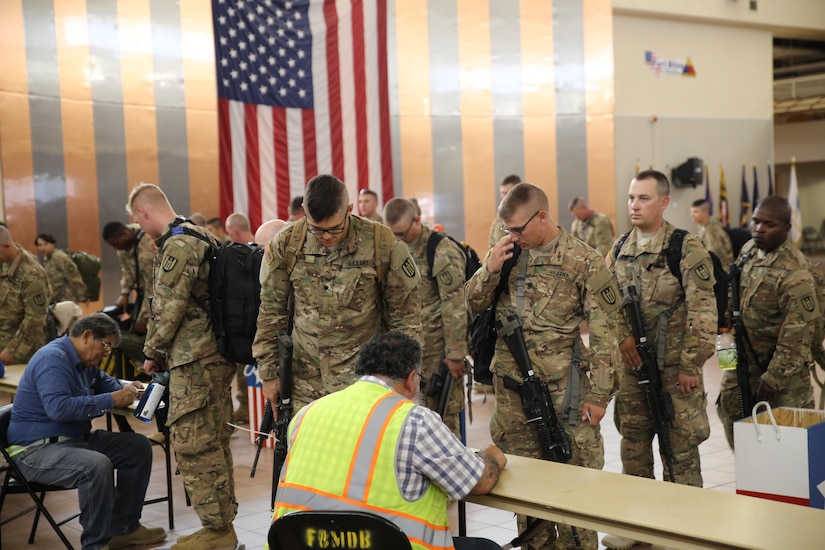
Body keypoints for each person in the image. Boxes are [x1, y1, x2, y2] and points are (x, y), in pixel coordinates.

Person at [466, 182, 621, 550]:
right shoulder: (507, 253)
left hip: (563, 394)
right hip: (512, 395)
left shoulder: (583, 260)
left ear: (542, 216)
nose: (513, 236)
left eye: (519, 229)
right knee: (524, 492)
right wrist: (489, 267)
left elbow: (606, 332)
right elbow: (472, 302)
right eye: (508, 230)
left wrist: (599, 395)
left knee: (574, 491)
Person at [273, 331, 506, 550]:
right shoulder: (414, 421)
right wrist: (493, 455)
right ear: (411, 379)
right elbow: (480, 482)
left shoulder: (307, 413)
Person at [603, 170, 716, 549]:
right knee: (633, 448)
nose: (634, 205)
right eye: (632, 197)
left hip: (674, 372)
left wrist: (691, 365)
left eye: (644, 198)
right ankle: (638, 527)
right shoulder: (620, 247)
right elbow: (607, 301)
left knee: (680, 450)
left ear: (664, 202)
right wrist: (622, 337)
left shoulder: (686, 248)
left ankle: (687, 530)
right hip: (634, 370)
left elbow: (704, 311)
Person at [127, 183, 238, 550]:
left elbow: (169, 308)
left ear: (143, 212)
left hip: (195, 360)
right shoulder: (201, 233)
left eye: (136, 220)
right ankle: (221, 526)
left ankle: (218, 531)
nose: (140, 228)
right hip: (215, 357)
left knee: (194, 444)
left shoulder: (178, 244)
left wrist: (151, 352)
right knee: (214, 441)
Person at [253, 174, 422, 410]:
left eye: (335, 228)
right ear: (304, 211)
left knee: (363, 446)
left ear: (350, 210)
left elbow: (405, 318)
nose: (326, 237)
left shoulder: (380, 244)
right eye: (317, 229)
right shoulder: (287, 243)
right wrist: (269, 373)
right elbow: (271, 311)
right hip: (305, 382)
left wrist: (405, 376)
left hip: (365, 381)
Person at [6, 312, 167, 550]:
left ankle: (123, 529)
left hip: (72, 440)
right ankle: (95, 545)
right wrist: (112, 400)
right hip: (35, 450)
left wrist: (129, 389)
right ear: (87, 336)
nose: (106, 352)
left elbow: (105, 381)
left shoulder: (84, 361)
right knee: (95, 465)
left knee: (137, 447)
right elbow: (59, 409)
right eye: (106, 345)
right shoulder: (53, 359)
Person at [717, 196, 819, 449]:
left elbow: (798, 334)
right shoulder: (749, 250)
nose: (759, 229)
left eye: (769, 224)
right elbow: (733, 298)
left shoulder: (795, 272)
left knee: (786, 444)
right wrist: (725, 351)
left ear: (786, 228)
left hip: (780, 375)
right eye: (756, 222)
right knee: (736, 425)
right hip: (742, 365)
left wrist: (774, 377)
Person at [385, 198, 467, 436]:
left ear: (417, 221)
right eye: (393, 234)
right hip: (402, 354)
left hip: (436, 355)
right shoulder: (393, 248)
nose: (397, 238)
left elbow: (454, 305)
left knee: (443, 420)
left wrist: (455, 353)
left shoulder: (441, 251)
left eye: (401, 232)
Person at [103, 220, 155, 367]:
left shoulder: (146, 247)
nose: (116, 249)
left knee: (143, 331)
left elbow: (152, 289)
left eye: (116, 244)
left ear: (125, 235)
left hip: (153, 294)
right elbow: (126, 271)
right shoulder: (123, 247)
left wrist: (143, 318)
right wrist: (125, 293)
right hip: (143, 293)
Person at [0, 225, 50, 365]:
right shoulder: (4, 262)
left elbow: (35, 320)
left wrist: (12, 351)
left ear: (6, 246)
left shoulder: (31, 274)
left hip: (21, 354)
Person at [225, 212, 256, 425]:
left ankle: (247, 407)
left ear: (235, 231)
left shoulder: (240, 255)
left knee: (245, 369)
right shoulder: (260, 250)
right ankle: (247, 407)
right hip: (251, 319)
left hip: (249, 322)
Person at [35, 232, 88, 304]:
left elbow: (73, 276)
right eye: (39, 245)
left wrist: (82, 295)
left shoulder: (59, 257)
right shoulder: (48, 259)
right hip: (56, 300)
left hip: (66, 299)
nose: (42, 247)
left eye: (46, 244)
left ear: (53, 244)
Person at [690, 198, 734, 268]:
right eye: (691, 212)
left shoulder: (712, 230)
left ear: (705, 212)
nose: (692, 215)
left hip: (722, 270)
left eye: (696, 212)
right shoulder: (702, 227)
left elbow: (715, 256)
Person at [487, 174, 521, 252]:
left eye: (507, 193)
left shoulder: (527, 216)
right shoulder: (500, 215)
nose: (504, 197)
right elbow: (492, 243)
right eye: (502, 193)